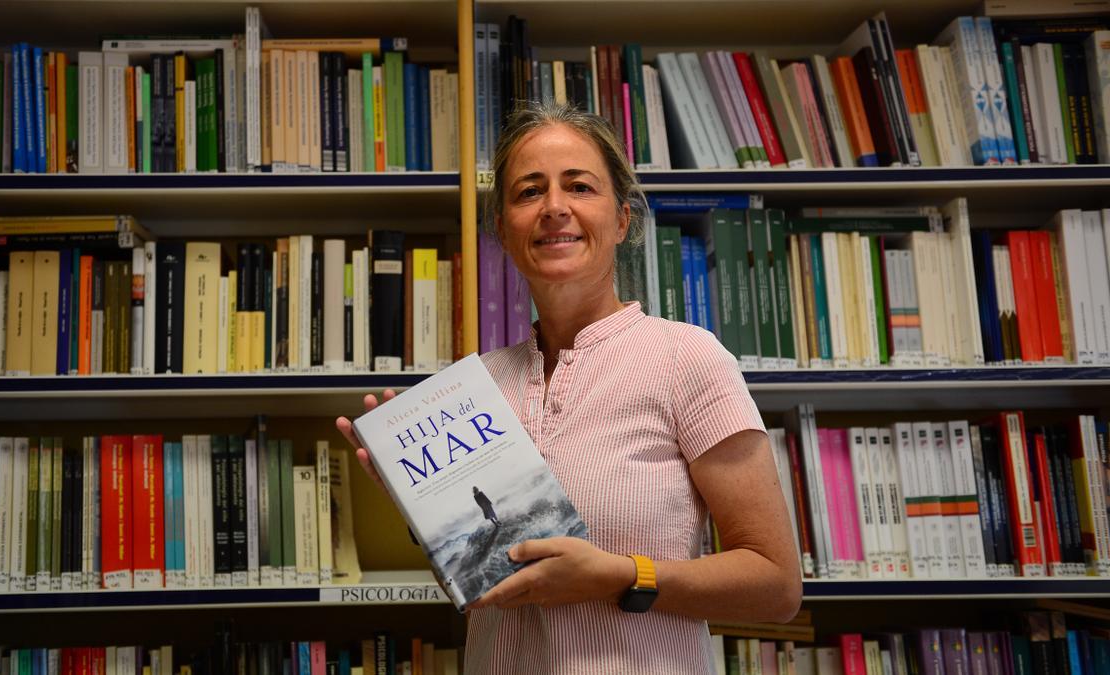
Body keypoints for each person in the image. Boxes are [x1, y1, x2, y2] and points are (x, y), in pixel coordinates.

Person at [336, 101, 801, 674]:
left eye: (579, 187)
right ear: (502, 230)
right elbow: (488, 590)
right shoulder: (475, 387)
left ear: (623, 220)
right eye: (529, 192)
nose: (555, 207)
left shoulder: (688, 358)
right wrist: (424, 507)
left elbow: (776, 586)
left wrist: (621, 577)